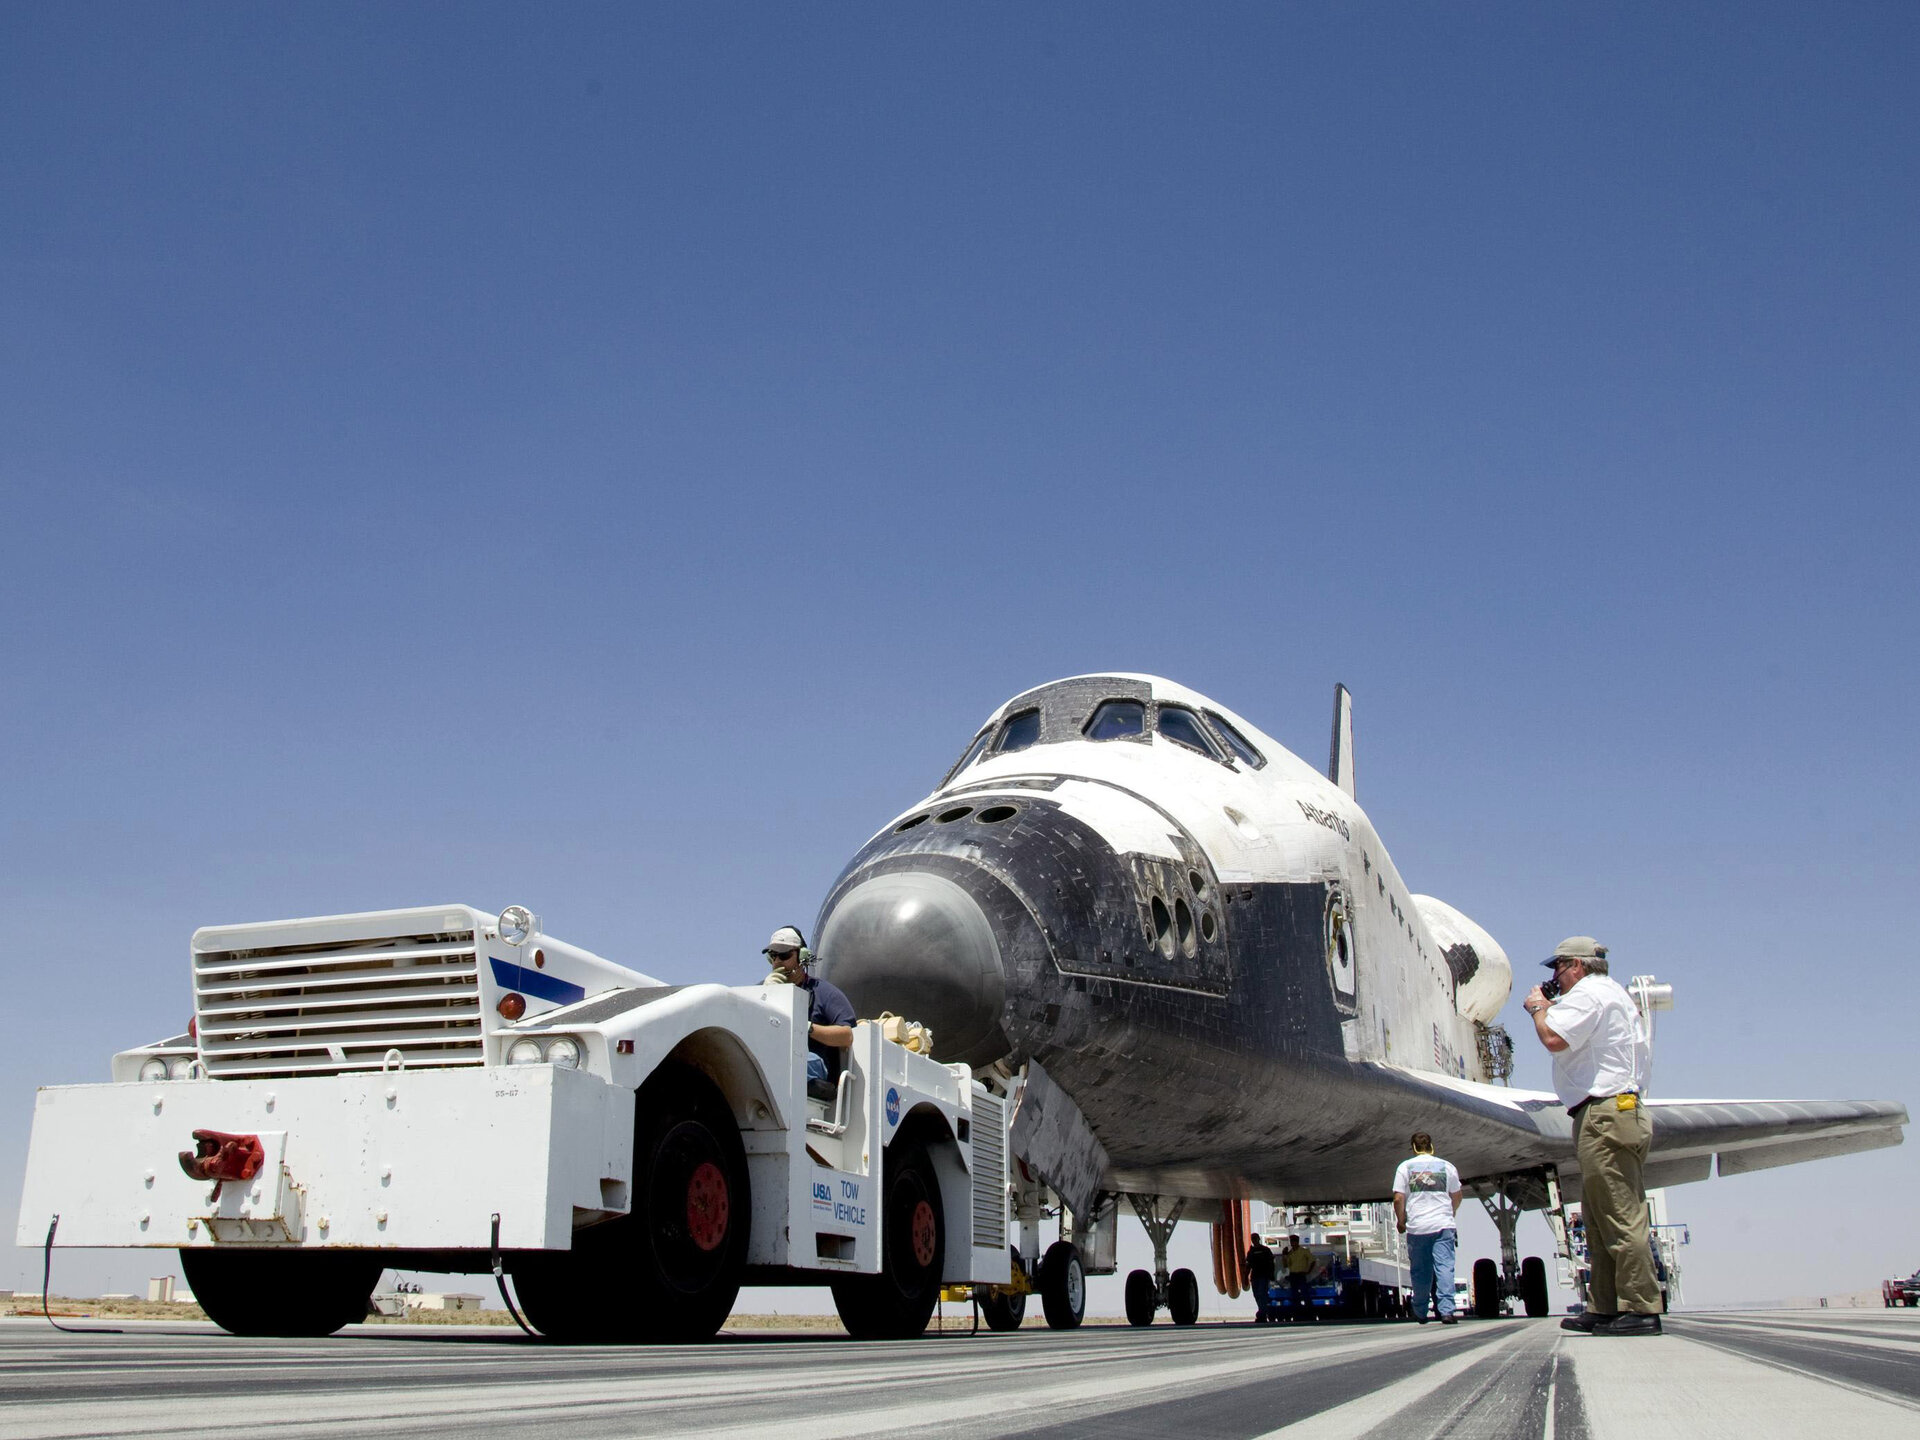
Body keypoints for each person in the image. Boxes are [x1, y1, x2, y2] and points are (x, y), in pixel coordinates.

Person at [1522, 935, 1660, 1337]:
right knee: (1599, 1218)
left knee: (1619, 1215)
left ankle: (1639, 1307)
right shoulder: (1610, 994)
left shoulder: (1589, 994)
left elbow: (1553, 1038)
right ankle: (1606, 1305)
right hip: (1607, 1113)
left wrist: (1538, 1008)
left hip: (1606, 1112)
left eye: (1558, 968)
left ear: (1577, 966)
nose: (1555, 977)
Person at [763, 926, 856, 1093]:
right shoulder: (762, 989)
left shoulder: (825, 992)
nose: (777, 962)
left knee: (784, 1063)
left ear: (802, 957)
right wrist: (765, 994)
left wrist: (806, 1027)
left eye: (784, 955)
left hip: (811, 1062)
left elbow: (847, 1036)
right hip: (773, 1054)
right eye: (773, 956)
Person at [1392, 1132, 1463, 1325]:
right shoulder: (1447, 1167)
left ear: (1414, 1148)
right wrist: (1451, 1212)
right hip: (1443, 1224)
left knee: (1420, 1271)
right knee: (1445, 1267)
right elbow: (1457, 1195)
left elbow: (1398, 1198)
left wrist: (1400, 1221)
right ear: (1431, 1146)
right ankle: (1447, 1311)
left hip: (1417, 1227)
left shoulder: (1405, 1167)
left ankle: (1421, 1312)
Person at [1281, 1234, 1317, 1319]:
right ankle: (1298, 1314)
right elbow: (1285, 1265)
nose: (1293, 1243)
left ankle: (1310, 1314)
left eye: (1294, 1241)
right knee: (1295, 1296)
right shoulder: (1290, 1253)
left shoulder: (1304, 1251)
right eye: (1291, 1242)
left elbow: (1313, 1261)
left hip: (1301, 1274)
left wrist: (1309, 1271)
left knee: (1305, 1295)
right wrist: (1284, 1255)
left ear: (1297, 1242)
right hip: (1293, 1275)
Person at [1246, 1237, 1277, 1323]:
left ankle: (1263, 1314)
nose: (1254, 1240)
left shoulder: (1265, 1250)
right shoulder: (1251, 1252)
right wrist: (1245, 1275)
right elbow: (1248, 1265)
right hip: (1255, 1276)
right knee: (1257, 1295)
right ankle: (1262, 1311)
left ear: (1258, 1239)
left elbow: (1271, 1262)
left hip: (1263, 1275)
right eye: (1252, 1239)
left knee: (1262, 1294)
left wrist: (1271, 1274)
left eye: (1255, 1239)